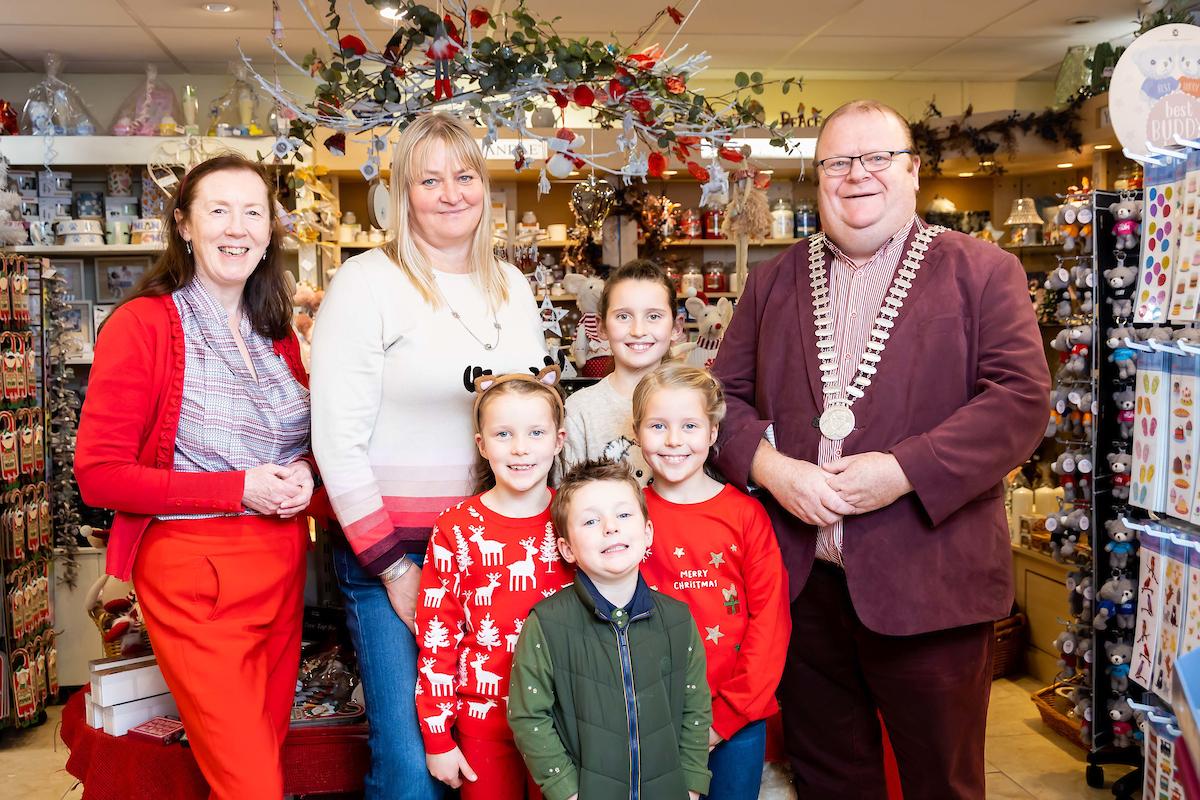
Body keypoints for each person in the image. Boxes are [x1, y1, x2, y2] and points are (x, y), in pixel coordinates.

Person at [710, 100, 1050, 799]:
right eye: (838, 161)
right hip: (804, 588)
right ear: (819, 177)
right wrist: (772, 472)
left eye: (877, 158)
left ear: (912, 172)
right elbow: (720, 404)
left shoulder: (983, 271)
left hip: (931, 583)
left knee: (942, 783)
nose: (857, 174)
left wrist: (902, 470)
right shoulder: (773, 279)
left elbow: (1019, 401)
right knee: (829, 779)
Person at [310, 111, 547, 798]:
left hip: (497, 556)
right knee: (414, 770)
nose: (451, 194)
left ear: (485, 186)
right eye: (429, 179)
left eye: (465, 176)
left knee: (493, 751)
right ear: (400, 193)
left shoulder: (514, 287)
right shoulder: (367, 284)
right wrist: (393, 571)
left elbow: (528, 423)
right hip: (398, 557)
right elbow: (336, 443)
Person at [74, 154, 318, 799]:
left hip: (282, 566)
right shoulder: (145, 324)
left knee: (254, 759)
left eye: (252, 212)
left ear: (270, 230)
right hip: (195, 573)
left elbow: (306, 442)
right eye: (218, 210)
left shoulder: (276, 330)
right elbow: (99, 477)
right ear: (183, 224)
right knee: (252, 783)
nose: (236, 228)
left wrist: (304, 476)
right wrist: (238, 488)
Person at [509, 458, 712, 800]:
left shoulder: (677, 620)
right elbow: (529, 717)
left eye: (623, 515)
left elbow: (695, 708)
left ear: (647, 532)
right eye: (590, 520)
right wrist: (567, 792)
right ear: (567, 548)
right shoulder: (547, 624)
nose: (610, 528)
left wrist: (690, 786)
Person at [415, 366, 573, 798]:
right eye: (503, 435)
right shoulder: (456, 527)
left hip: (566, 721)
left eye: (536, 433)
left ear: (559, 440)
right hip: (484, 724)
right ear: (482, 445)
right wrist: (437, 737)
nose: (520, 449)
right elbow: (437, 636)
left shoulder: (577, 519)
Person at [634, 363, 790, 800]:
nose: (673, 440)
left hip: (736, 716)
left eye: (689, 425)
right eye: (658, 425)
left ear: (712, 431)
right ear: (636, 431)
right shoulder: (626, 516)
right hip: (651, 716)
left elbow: (770, 622)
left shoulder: (745, 515)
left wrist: (727, 717)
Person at [559, 260, 682, 486]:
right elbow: (568, 499)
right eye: (623, 316)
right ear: (601, 327)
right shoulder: (579, 411)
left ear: (676, 328)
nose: (638, 331)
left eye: (653, 316)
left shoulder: (694, 403)